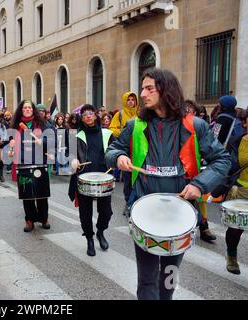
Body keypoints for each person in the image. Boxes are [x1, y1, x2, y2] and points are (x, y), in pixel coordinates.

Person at [105, 68, 230, 300]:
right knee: (147, 280)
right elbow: (113, 150)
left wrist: (200, 185)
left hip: (179, 215)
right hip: (144, 213)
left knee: (169, 278)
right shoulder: (136, 125)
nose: (142, 93)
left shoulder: (196, 126)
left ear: (166, 90)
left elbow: (222, 159)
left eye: (149, 88)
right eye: (142, 88)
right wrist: (118, 157)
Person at [68, 105, 114, 256]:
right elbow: (71, 154)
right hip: (84, 176)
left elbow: (116, 150)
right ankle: (89, 238)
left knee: (106, 211)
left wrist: (118, 159)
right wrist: (74, 160)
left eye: (90, 113)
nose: (88, 116)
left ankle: (100, 231)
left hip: (104, 175)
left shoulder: (107, 134)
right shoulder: (77, 135)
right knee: (85, 212)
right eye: (84, 114)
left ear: (96, 116)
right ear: (82, 118)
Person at [212, 109, 247, 275]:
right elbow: (229, 166)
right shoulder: (238, 142)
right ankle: (231, 255)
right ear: (245, 122)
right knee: (235, 230)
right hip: (240, 191)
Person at [9, 100, 53, 232]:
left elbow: (51, 140)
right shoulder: (16, 125)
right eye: (25, 108)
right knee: (26, 194)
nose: (27, 110)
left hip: (39, 161)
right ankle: (29, 220)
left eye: (29, 107)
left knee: (41, 193)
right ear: (21, 110)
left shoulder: (42, 124)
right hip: (23, 162)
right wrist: (11, 146)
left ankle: (44, 218)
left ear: (33, 109)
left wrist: (43, 141)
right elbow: (10, 145)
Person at [185, 99, 217, 242]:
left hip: (198, 168)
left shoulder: (200, 127)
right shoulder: (180, 127)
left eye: (191, 111)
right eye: (186, 110)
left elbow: (210, 147)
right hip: (183, 171)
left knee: (201, 199)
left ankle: (204, 228)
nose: (188, 113)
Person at [109, 92, 140, 216]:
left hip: (140, 150)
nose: (131, 102)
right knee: (128, 180)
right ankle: (128, 203)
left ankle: (137, 204)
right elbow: (112, 129)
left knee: (139, 180)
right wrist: (124, 131)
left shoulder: (141, 113)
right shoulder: (120, 114)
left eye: (133, 99)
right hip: (126, 151)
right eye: (129, 100)